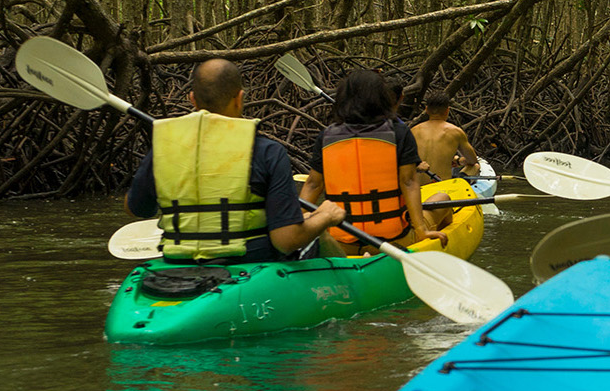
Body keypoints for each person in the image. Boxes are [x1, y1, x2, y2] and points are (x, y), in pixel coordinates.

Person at [126, 59, 347, 264]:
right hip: (249, 264)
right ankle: (354, 271)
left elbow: (138, 208)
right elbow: (286, 240)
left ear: (192, 99)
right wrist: (325, 216)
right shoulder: (267, 152)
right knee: (319, 235)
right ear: (240, 98)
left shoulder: (165, 148)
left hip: (177, 263)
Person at [302, 69, 450, 256]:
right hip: (394, 240)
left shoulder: (326, 136)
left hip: (343, 243)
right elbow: (409, 182)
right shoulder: (399, 133)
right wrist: (421, 230)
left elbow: (313, 184)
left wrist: (298, 229)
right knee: (443, 199)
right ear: (382, 98)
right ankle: (442, 248)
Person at [410, 92, 478, 183]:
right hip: (441, 188)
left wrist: (455, 160)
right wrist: (458, 160)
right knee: (476, 166)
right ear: (447, 110)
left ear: (426, 110)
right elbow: (472, 161)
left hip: (416, 188)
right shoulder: (456, 131)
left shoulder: (413, 130)